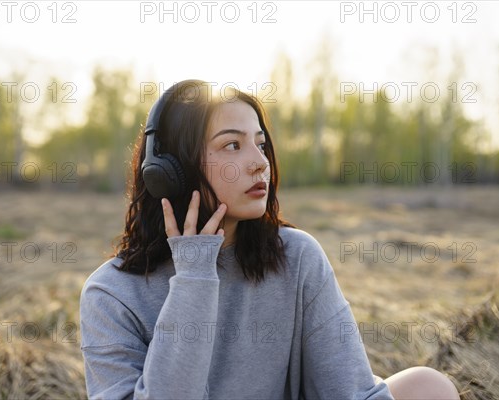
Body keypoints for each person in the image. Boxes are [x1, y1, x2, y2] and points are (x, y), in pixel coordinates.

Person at [79, 80, 460, 399]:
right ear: (170, 172)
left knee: (430, 387)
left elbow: (348, 391)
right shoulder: (111, 294)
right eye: (232, 145)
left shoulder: (296, 256)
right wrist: (194, 274)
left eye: (260, 144)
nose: (260, 161)